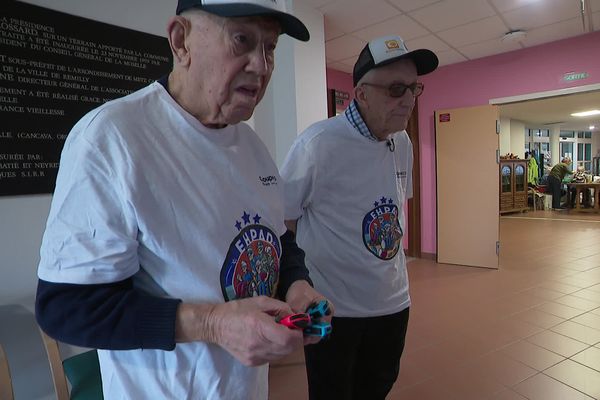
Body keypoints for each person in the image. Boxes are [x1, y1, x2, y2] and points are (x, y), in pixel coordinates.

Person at [35, 1, 332, 399]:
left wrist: (298, 287)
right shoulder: (111, 139)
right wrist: (213, 324)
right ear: (181, 41)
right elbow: (65, 308)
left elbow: (278, 238)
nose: (261, 66)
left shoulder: (254, 147)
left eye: (270, 48)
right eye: (242, 40)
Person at [280, 35, 438, 400]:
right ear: (362, 94)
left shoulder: (403, 143)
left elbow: (396, 209)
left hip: (393, 302)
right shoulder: (317, 144)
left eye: (414, 88)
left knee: (378, 385)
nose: (409, 100)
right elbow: (283, 222)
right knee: (330, 391)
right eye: (396, 88)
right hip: (333, 307)